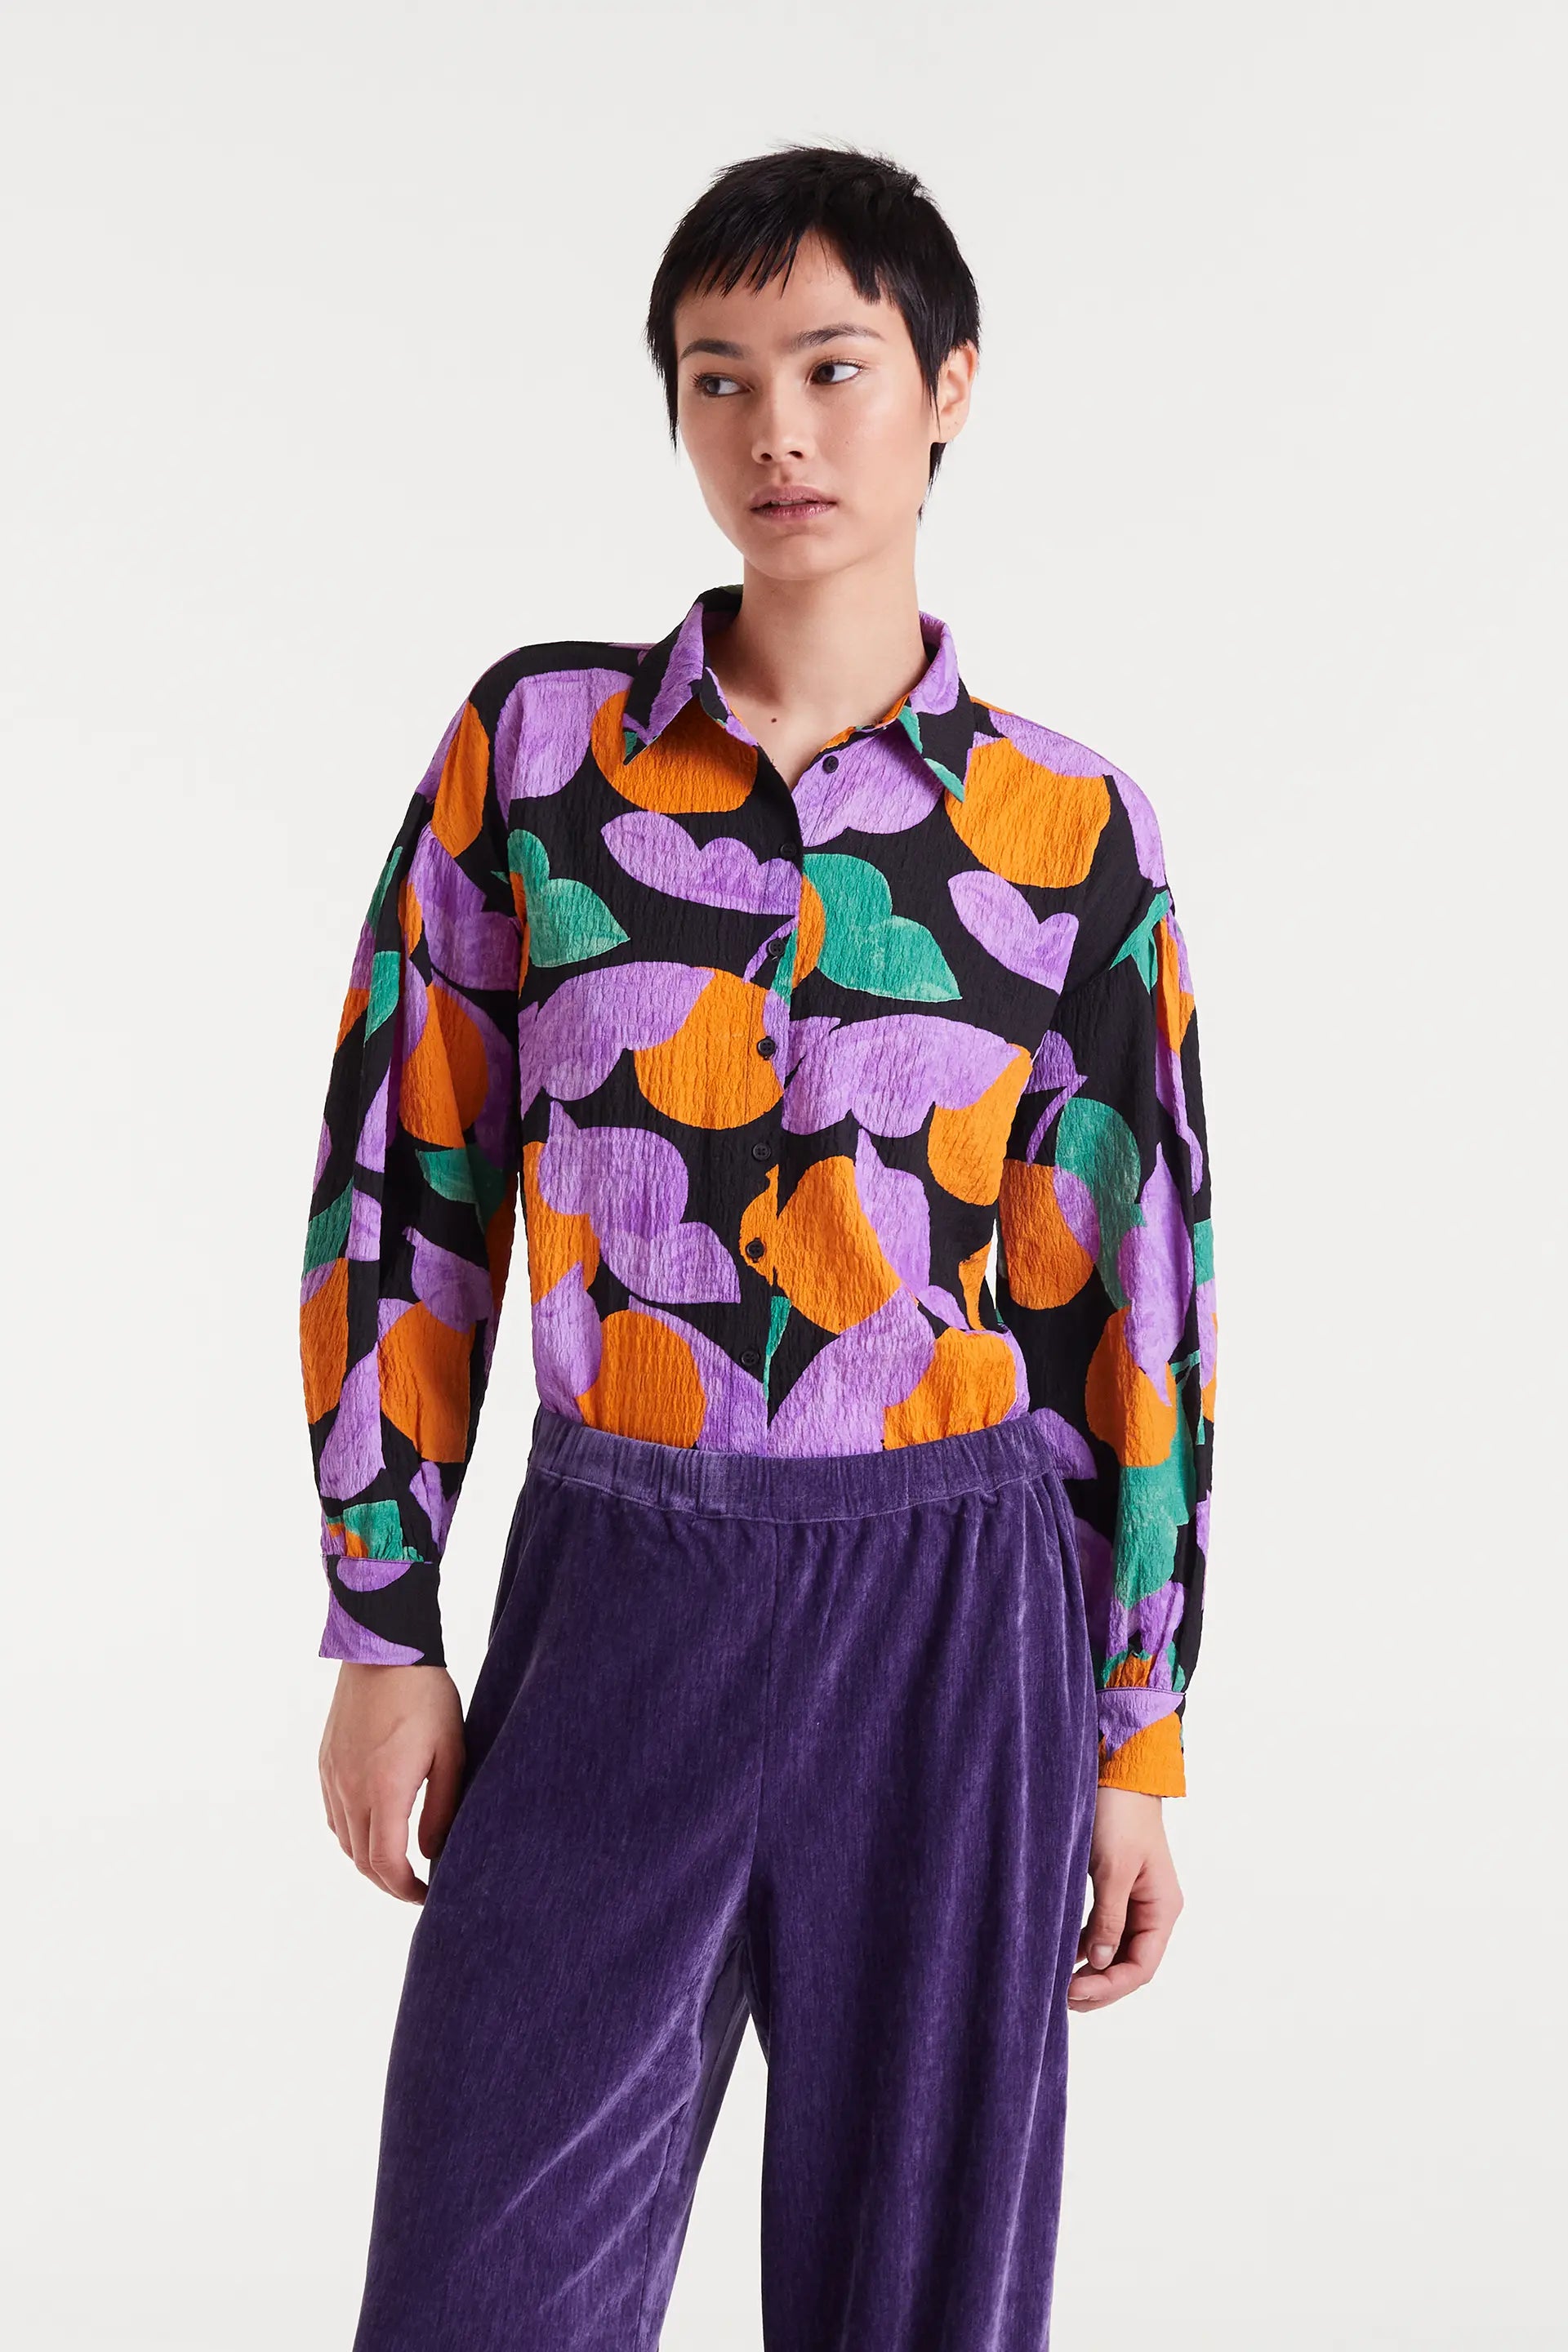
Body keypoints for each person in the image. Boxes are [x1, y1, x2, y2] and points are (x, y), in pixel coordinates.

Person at [301, 140, 1218, 2352]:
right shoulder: (539, 758)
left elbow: (1139, 1301)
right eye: (717, 379)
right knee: (478, 2288)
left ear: (948, 387)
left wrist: (1138, 1732)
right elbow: (405, 1182)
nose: (776, 431)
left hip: (956, 1616)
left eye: (831, 366)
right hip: (619, 1583)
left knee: (920, 2302)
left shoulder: (1068, 833)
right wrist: (380, 1618)